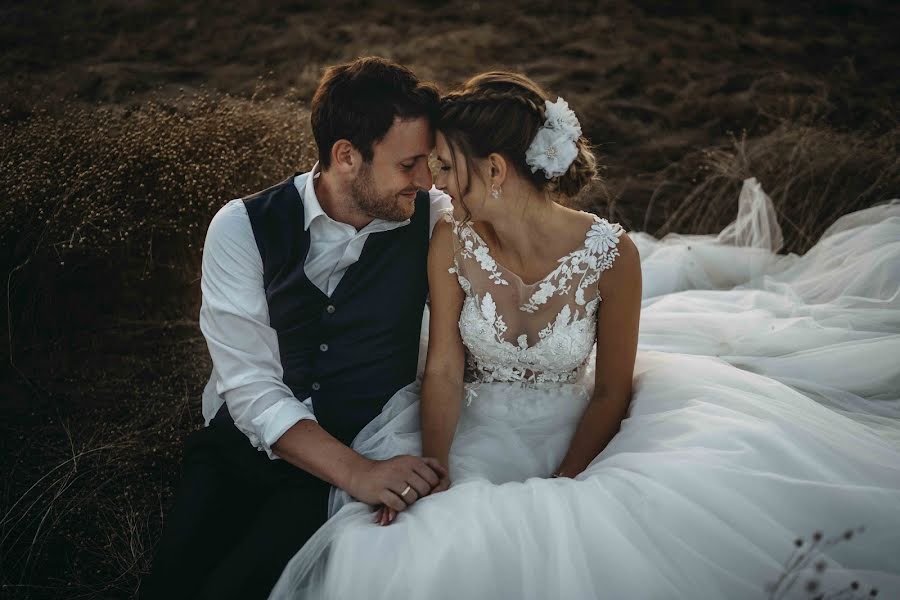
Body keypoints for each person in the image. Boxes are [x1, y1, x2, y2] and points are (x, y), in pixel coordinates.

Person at [269, 72, 900, 599]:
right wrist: (438, 468)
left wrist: (567, 482)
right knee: (418, 543)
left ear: (493, 168)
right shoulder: (450, 240)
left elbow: (610, 391)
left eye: (446, 166)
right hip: (476, 427)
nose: (433, 182)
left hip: (579, 433)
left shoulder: (612, 255)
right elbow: (442, 370)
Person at [139, 56, 454, 600]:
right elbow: (250, 388)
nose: (424, 180)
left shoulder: (435, 219)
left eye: (428, 162)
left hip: (356, 447)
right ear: (346, 156)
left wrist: (359, 472)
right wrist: (357, 472)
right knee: (170, 584)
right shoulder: (240, 226)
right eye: (409, 165)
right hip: (240, 447)